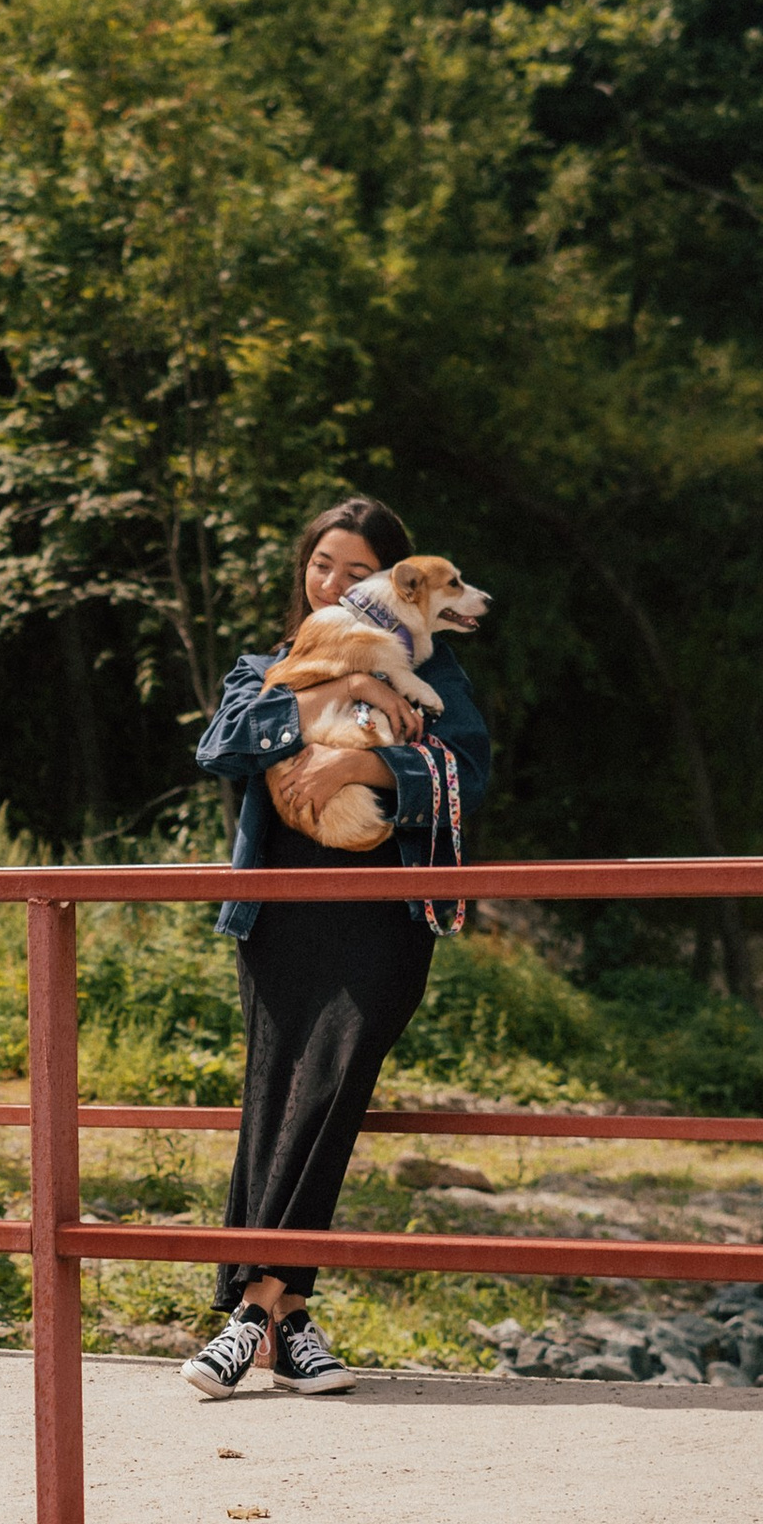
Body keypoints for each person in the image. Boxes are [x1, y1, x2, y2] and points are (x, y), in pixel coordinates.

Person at [180, 493, 492, 1398]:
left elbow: (468, 772)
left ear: (395, 581)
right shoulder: (270, 664)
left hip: (381, 916)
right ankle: (290, 1318)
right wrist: (347, 691)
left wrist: (362, 761)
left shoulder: (435, 668)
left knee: (334, 1082)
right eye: (323, 567)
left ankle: (249, 1313)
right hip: (280, 911)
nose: (335, 583)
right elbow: (222, 744)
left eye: (357, 572)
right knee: (275, 1090)